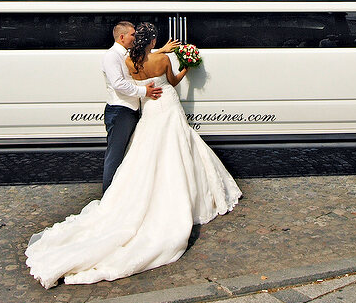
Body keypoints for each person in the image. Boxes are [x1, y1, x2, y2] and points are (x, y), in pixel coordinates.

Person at [26, 23, 241, 288]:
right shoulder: (160, 59)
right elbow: (171, 81)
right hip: (165, 104)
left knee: (144, 152)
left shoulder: (130, 60)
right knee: (177, 146)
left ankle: (118, 197)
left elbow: (139, 64)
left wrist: (155, 54)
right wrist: (187, 66)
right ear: (149, 41)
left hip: (149, 110)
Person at [100, 21, 175, 192]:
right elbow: (118, 84)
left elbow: (146, 58)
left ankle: (120, 193)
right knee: (115, 155)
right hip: (120, 111)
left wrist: (162, 50)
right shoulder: (112, 56)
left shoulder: (126, 55)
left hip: (130, 110)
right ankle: (108, 196)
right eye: (133, 34)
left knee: (127, 154)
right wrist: (144, 91)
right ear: (122, 36)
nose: (136, 38)